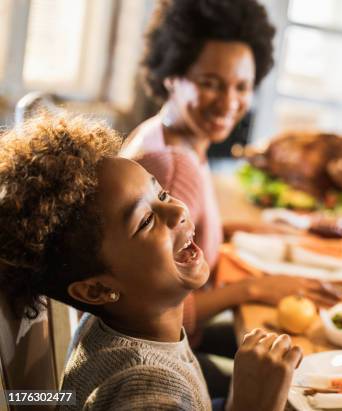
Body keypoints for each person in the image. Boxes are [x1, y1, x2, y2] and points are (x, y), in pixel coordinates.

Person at [0, 115, 301, 411]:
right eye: (145, 221)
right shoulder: (147, 387)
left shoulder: (116, 327)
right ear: (97, 290)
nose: (177, 211)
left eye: (161, 193)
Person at [121, 0, 338, 384]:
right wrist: (254, 288)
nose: (228, 102)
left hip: (177, 345)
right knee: (300, 379)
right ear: (173, 74)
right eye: (210, 83)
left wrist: (248, 230)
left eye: (242, 86)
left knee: (293, 352)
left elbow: (188, 227)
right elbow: (153, 309)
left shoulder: (175, 139)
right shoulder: (172, 165)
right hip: (160, 363)